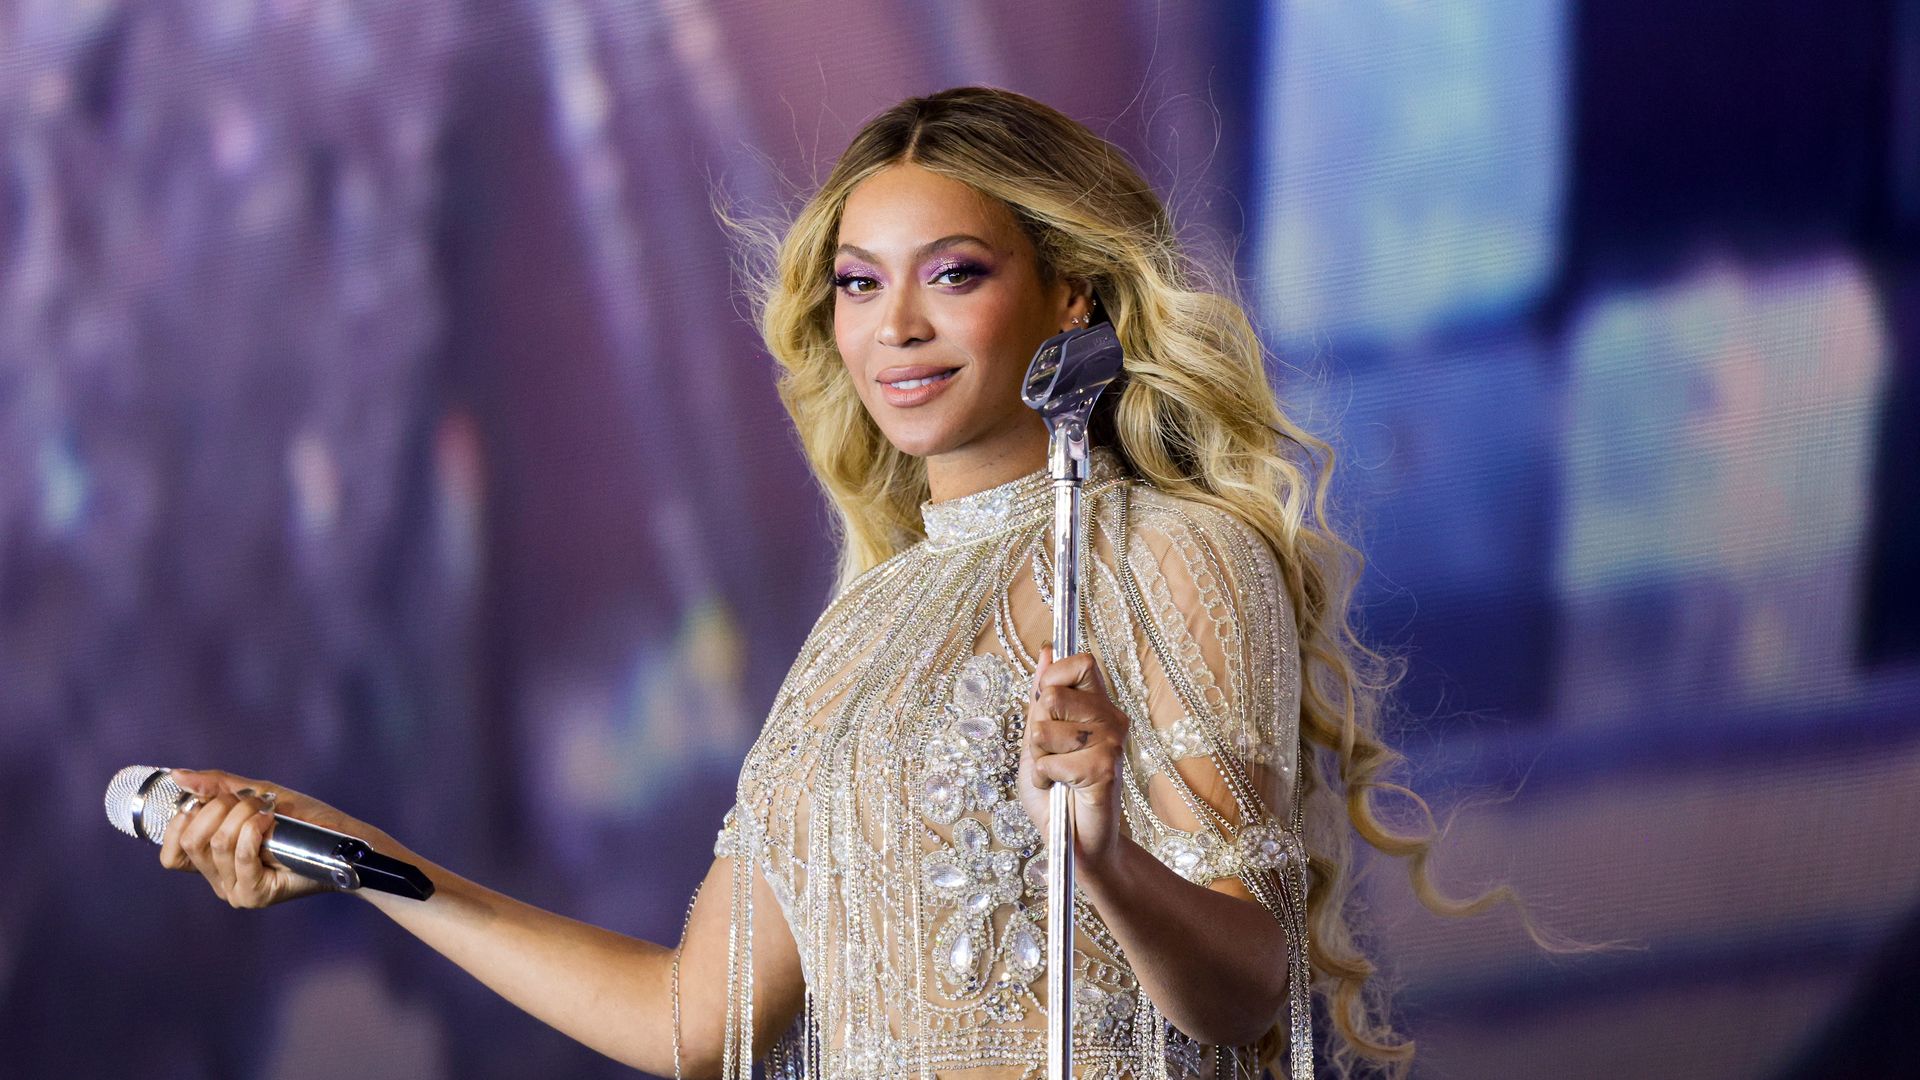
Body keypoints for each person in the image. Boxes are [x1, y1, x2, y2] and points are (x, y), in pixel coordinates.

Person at [163, 86, 1515, 1080]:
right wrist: (354, 861)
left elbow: (1246, 989)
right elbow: (695, 1018)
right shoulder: (863, 622)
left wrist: (1101, 858)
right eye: (861, 285)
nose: (897, 328)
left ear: (1073, 302)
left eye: (957, 275)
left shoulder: (1168, 553)